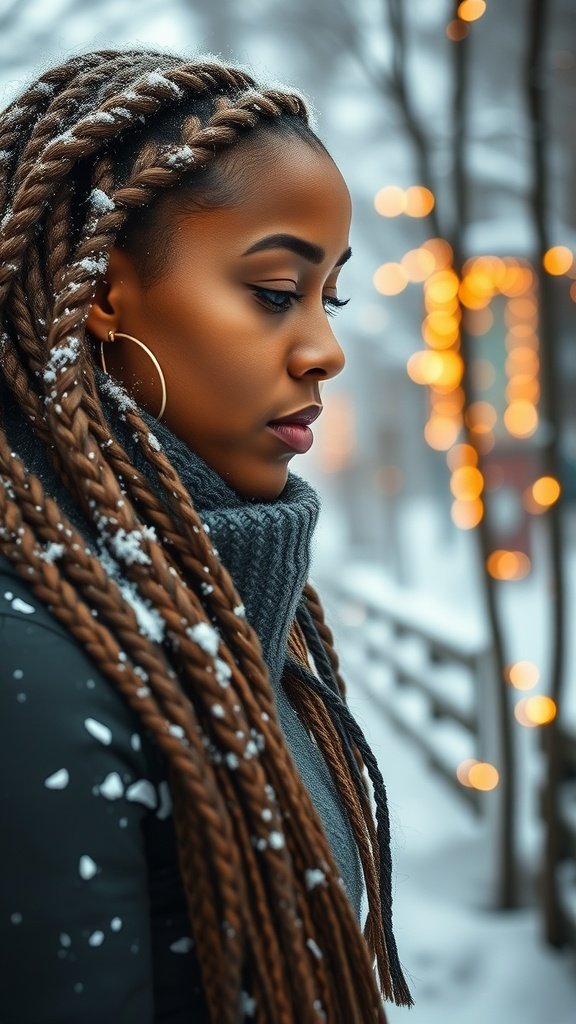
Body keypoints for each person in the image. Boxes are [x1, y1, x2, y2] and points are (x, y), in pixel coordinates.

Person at [0, 49, 412, 1023]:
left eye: (330, 297)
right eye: (276, 291)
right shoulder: (35, 673)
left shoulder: (228, 603)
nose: (326, 349)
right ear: (100, 290)